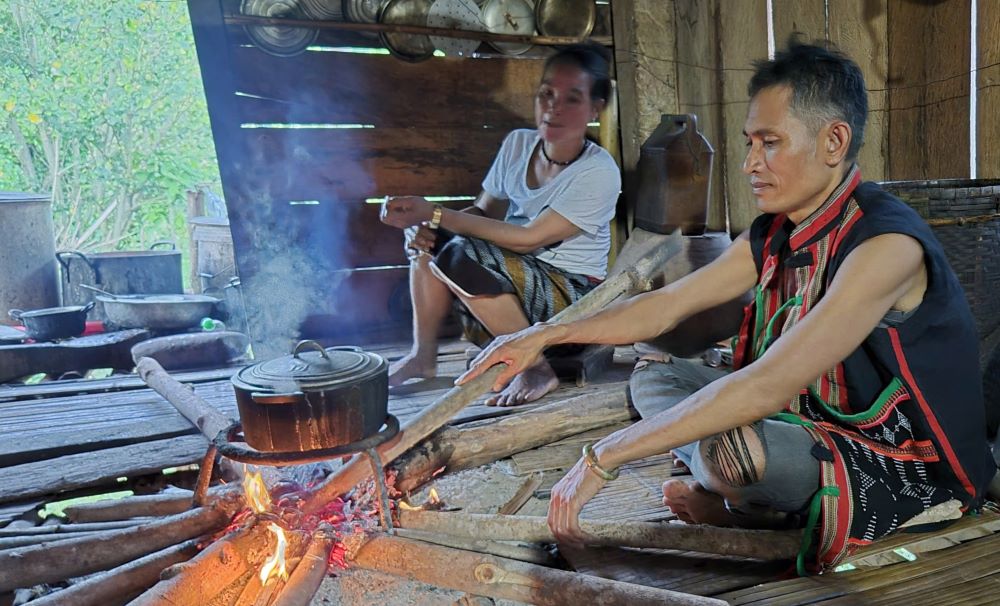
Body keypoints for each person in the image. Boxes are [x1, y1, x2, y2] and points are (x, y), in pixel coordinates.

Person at [458, 41, 995, 572]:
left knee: (733, 451)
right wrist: (542, 336)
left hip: (894, 457)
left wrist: (604, 456)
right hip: (803, 418)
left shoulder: (885, 246)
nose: (749, 164)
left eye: (769, 143)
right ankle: (744, 496)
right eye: (749, 143)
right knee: (652, 379)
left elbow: (767, 384)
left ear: (833, 141)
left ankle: (744, 509)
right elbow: (667, 305)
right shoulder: (779, 231)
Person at [380, 44, 620, 406]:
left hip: (571, 303)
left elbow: (528, 239)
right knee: (431, 242)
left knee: (459, 252)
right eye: (547, 94)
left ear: (595, 109)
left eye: (572, 98)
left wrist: (436, 213)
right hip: (511, 294)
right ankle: (422, 357)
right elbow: (482, 212)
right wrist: (428, 225)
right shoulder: (518, 144)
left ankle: (536, 365)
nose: (554, 107)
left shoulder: (599, 172)